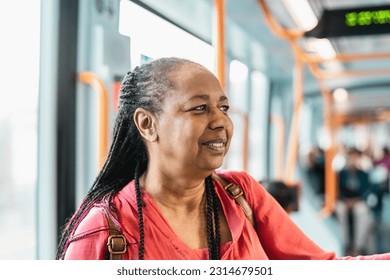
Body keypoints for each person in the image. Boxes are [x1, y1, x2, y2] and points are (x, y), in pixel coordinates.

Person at [56, 57, 390, 260]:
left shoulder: (241, 193)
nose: (221, 121)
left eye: (224, 107)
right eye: (200, 108)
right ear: (147, 124)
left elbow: (320, 269)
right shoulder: (104, 231)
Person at [334, 148, 374, 256]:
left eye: (355, 158)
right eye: (351, 158)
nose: (353, 160)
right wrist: (345, 201)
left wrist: (355, 201)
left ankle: (357, 245)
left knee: (362, 210)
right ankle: (345, 243)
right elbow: (337, 190)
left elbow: (366, 191)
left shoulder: (363, 174)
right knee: (339, 209)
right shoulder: (341, 173)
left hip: (358, 201)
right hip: (344, 201)